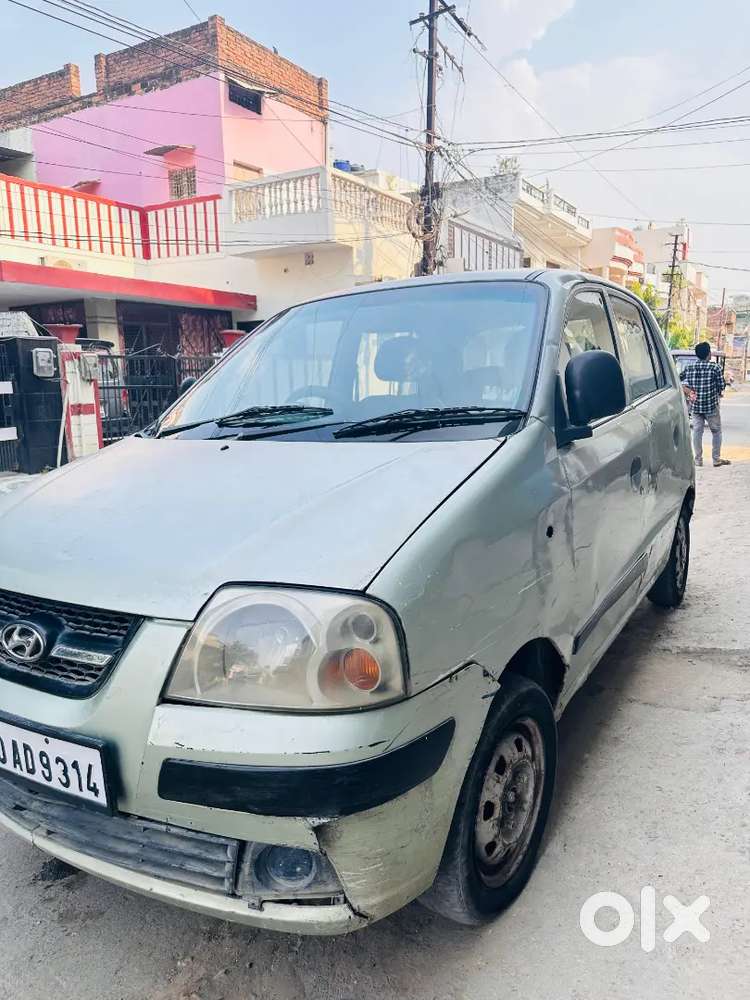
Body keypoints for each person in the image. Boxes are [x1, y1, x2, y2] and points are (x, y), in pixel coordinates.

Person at [680, 341, 730, 468]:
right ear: (709, 354)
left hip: (696, 406)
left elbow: (678, 379)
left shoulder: (689, 368)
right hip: (711, 406)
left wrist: (688, 390)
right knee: (716, 431)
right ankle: (716, 459)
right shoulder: (715, 368)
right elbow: (721, 386)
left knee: (697, 432)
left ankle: (698, 460)